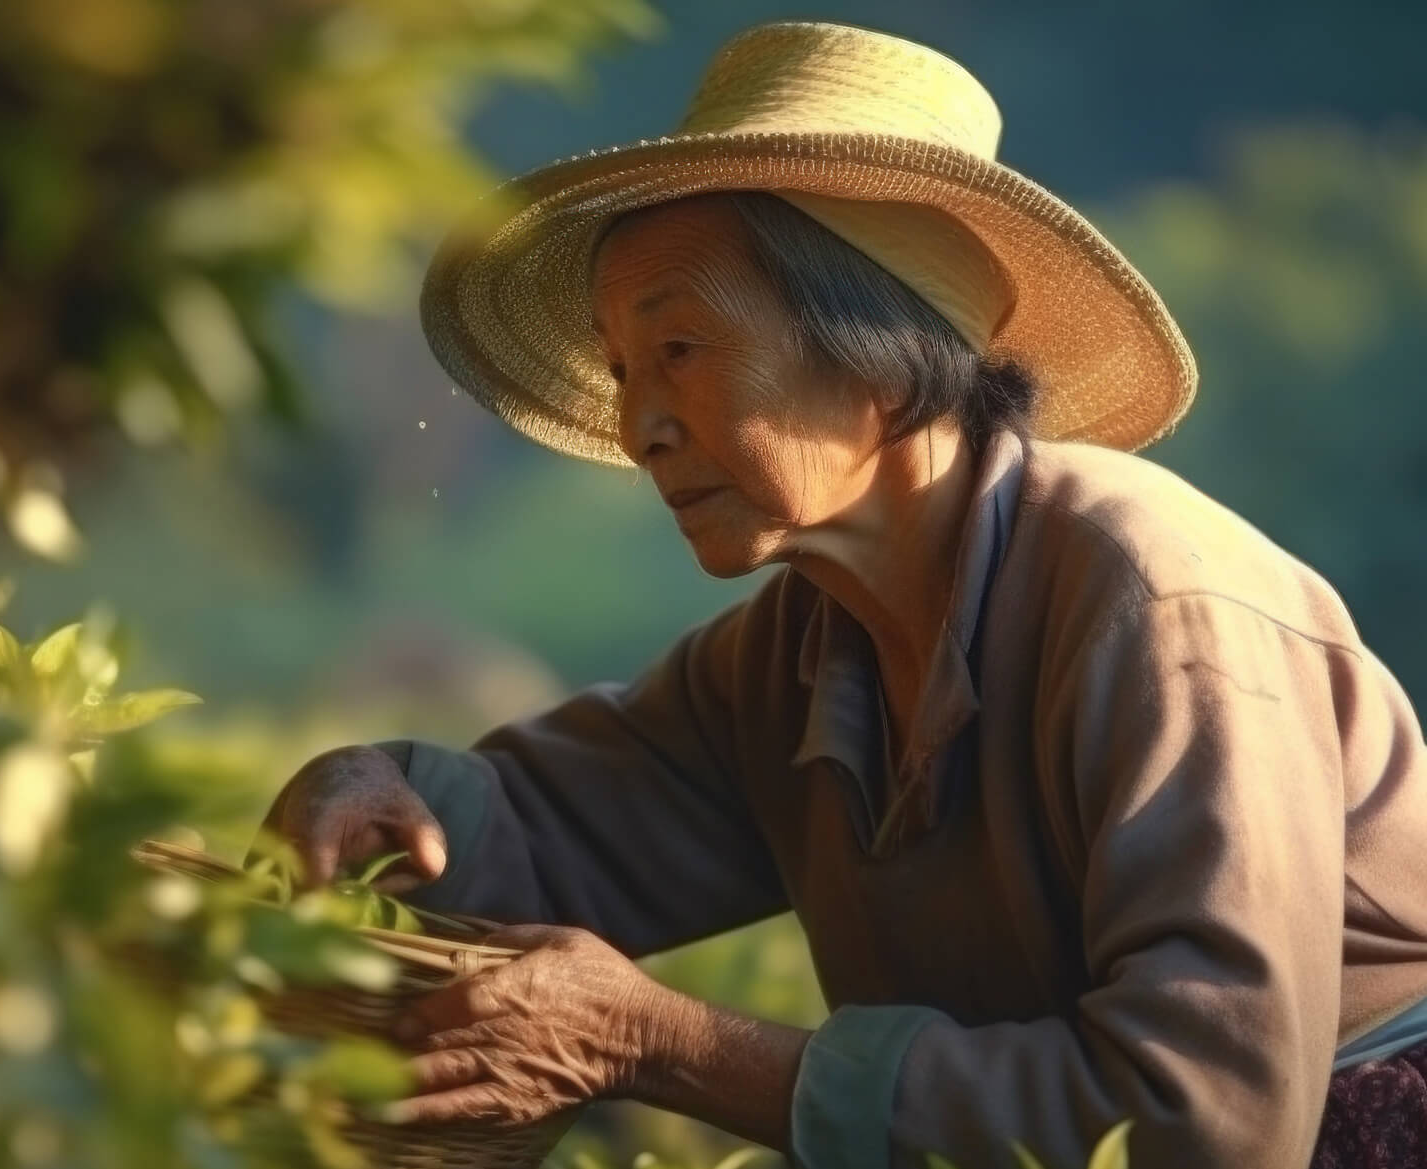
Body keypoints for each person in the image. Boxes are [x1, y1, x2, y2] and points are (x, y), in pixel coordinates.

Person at [256, 20, 1427, 1169]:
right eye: (621, 372)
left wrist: (658, 1042)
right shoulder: (797, 652)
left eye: (679, 352)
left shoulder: (1154, 601)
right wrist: (379, 790)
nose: (636, 427)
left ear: (873, 349)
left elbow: (1208, 1122)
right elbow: (554, 829)